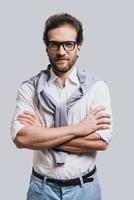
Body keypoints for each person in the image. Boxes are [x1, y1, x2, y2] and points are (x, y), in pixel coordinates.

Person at [11, 13, 113, 200]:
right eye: (54, 44)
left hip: (85, 190)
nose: (61, 52)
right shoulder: (29, 88)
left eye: (68, 44)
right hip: (42, 190)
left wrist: (42, 133)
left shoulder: (97, 88)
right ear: (47, 48)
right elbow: (21, 139)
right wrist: (79, 129)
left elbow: (100, 142)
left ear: (78, 48)